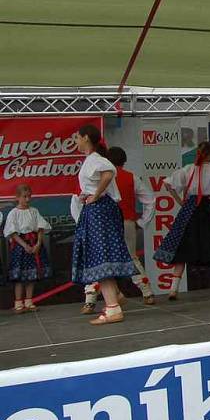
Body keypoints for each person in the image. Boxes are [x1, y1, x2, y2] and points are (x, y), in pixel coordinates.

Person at [153, 141, 210, 299]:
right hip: (209, 207)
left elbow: (168, 184)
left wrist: (179, 201)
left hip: (190, 209)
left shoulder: (188, 169)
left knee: (181, 245)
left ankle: (173, 289)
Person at [71, 125, 136, 325]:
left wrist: (96, 195)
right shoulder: (92, 160)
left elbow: (108, 173)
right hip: (99, 210)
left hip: (100, 210)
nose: (76, 140)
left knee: (102, 255)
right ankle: (115, 297)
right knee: (101, 255)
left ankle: (113, 308)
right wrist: (89, 195)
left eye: (78, 137)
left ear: (86, 138)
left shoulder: (97, 160)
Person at [104, 146, 156, 305]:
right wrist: (142, 222)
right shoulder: (131, 177)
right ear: (124, 161)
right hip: (127, 222)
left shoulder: (101, 178)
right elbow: (150, 200)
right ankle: (147, 293)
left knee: (101, 261)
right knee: (132, 258)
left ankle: (90, 299)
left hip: (106, 225)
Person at [4, 184, 51, 313]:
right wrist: (24, 245)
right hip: (20, 246)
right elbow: (12, 232)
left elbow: (41, 228)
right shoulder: (13, 213)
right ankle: (18, 303)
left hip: (34, 243)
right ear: (17, 197)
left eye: (29, 196)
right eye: (24, 197)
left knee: (32, 275)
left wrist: (38, 244)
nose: (27, 199)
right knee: (19, 277)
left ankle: (29, 301)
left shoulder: (34, 211)